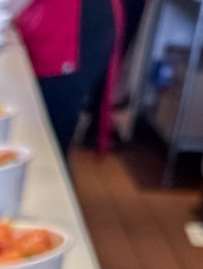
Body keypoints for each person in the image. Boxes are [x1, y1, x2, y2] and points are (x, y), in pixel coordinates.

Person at [14, 0, 124, 156]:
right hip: (46, 21)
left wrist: (1, 12)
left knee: (48, 141)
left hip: (70, 31)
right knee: (34, 133)